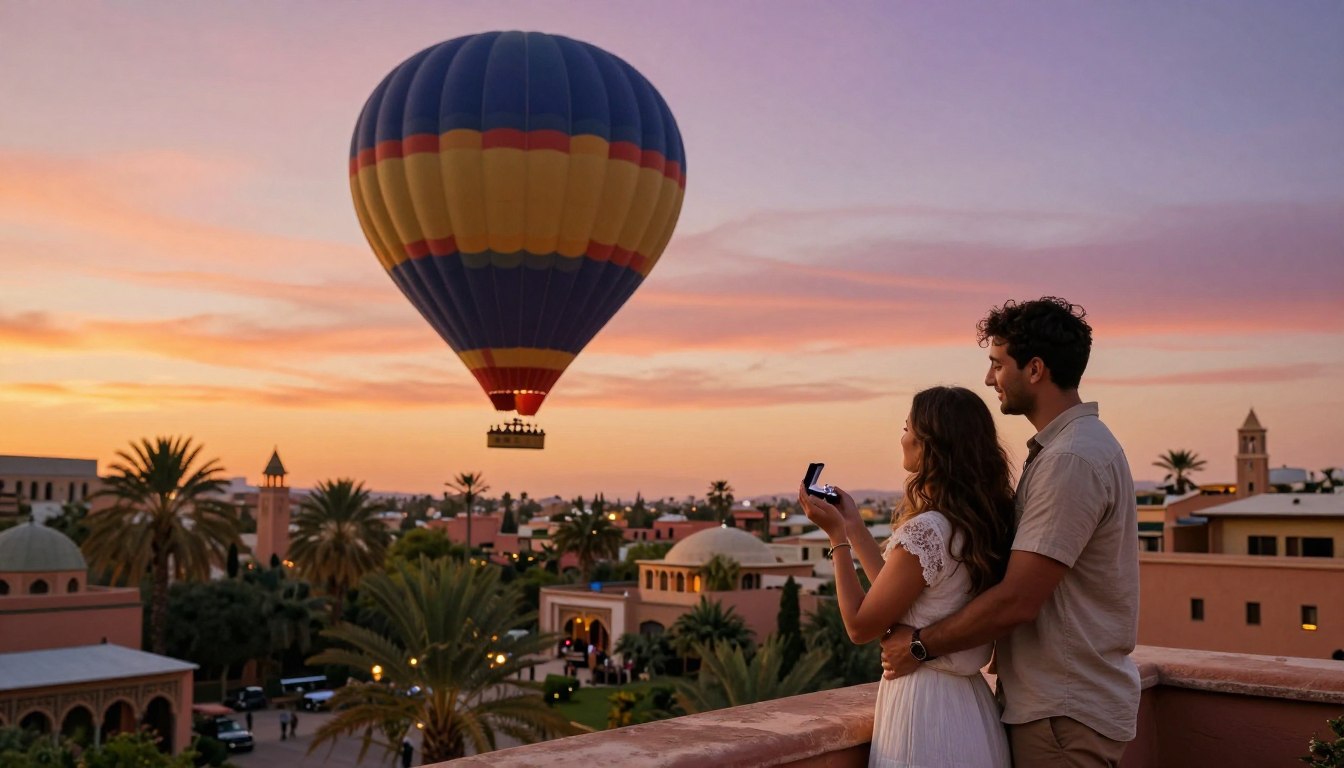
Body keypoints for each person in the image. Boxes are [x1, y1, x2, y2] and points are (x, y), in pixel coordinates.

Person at [879, 297, 1140, 767]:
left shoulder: (1070, 461)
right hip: (1058, 706)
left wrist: (919, 645)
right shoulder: (1067, 450)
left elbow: (1019, 597)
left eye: (997, 365)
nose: (988, 379)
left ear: (1035, 369)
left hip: (1063, 712)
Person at [799, 385, 1016, 767]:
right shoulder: (976, 525)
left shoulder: (929, 530)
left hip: (926, 709)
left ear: (929, 444)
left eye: (906, 427)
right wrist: (853, 526)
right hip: (970, 706)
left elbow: (861, 626)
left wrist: (837, 540)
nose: (902, 437)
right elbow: (900, 597)